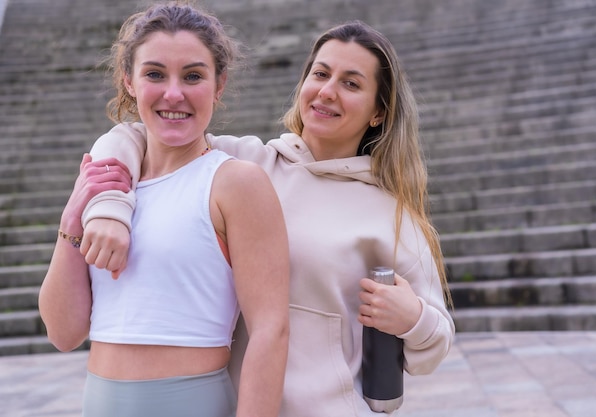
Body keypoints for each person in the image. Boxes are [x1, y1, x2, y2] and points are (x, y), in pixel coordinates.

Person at [77, 19, 455, 416]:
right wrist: (110, 210)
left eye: (351, 83)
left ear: (378, 112)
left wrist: (412, 318)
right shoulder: (244, 163)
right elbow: (133, 135)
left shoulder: (391, 214)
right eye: (321, 74)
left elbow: (433, 347)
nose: (327, 92)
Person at [38, 3, 290, 417]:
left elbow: (270, 331)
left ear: (219, 84)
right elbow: (64, 333)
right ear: (129, 81)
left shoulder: (235, 182)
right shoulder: (109, 189)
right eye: (155, 74)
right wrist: (71, 224)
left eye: (193, 76)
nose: (174, 93)